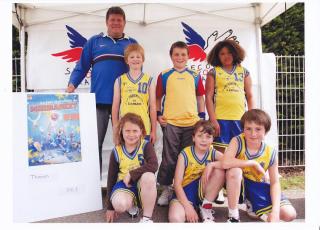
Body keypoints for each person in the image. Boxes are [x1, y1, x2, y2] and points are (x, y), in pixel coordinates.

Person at [66, 6, 137, 175]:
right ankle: (94, 185)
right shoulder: (94, 42)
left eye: (119, 20)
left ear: (124, 23)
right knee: (94, 144)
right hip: (98, 102)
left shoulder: (132, 44)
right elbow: (81, 66)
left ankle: (123, 183)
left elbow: (137, 70)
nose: (116, 23)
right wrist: (71, 86)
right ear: (107, 22)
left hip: (123, 104)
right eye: (112, 20)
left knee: (125, 144)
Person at [221, 109, 297, 222]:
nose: (253, 134)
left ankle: (254, 205)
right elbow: (225, 163)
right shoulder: (237, 141)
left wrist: (275, 211)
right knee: (235, 171)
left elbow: (275, 182)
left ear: (265, 131)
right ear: (243, 129)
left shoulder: (271, 152)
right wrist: (252, 163)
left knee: (289, 215)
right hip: (238, 183)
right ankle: (233, 215)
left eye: (258, 129)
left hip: (257, 185)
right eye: (248, 129)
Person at [156, 41, 206, 206]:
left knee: (187, 158)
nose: (179, 57)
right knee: (169, 158)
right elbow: (157, 98)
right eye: (176, 54)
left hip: (191, 123)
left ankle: (184, 189)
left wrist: (201, 116)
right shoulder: (164, 75)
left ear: (188, 56)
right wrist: (158, 114)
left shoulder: (195, 76)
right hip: (171, 123)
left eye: (183, 54)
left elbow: (200, 98)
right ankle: (166, 188)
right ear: (171, 56)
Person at [205, 39, 255, 203]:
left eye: (228, 53)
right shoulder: (214, 72)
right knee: (219, 156)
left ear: (235, 53)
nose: (226, 56)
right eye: (222, 53)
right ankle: (217, 188)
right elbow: (208, 97)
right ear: (217, 56)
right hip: (221, 121)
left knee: (239, 156)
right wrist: (213, 119)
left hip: (239, 121)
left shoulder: (244, 72)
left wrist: (251, 118)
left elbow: (249, 95)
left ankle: (240, 190)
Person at [105, 113, 158, 223]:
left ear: (141, 131)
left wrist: (131, 174)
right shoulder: (117, 151)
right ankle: (131, 205)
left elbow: (153, 165)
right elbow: (111, 179)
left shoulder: (145, 145)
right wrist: (110, 207)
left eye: (135, 131)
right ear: (121, 131)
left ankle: (146, 219)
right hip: (124, 185)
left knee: (149, 176)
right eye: (127, 131)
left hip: (141, 184)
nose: (131, 134)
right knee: (119, 204)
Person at [168, 120, 225, 223]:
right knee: (175, 218)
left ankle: (205, 207)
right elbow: (177, 185)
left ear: (213, 139)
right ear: (193, 138)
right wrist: (187, 207)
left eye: (208, 137)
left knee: (220, 169)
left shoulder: (212, 152)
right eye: (200, 136)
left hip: (203, 191)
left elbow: (230, 162)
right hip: (185, 192)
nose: (204, 140)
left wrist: (212, 164)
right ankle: (193, 207)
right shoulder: (185, 154)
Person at [112, 44, 156, 145]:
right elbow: (115, 107)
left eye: (138, 57)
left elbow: (153, 107)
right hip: (126, 129)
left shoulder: (149, 80)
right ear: (127, 60)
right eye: (132, 57)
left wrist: (153, 130)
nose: (135, 59)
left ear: (143, 59)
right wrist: (115, 129)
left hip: (144, 127)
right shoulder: (119, 80)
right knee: (127, 159)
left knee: (143, 158)